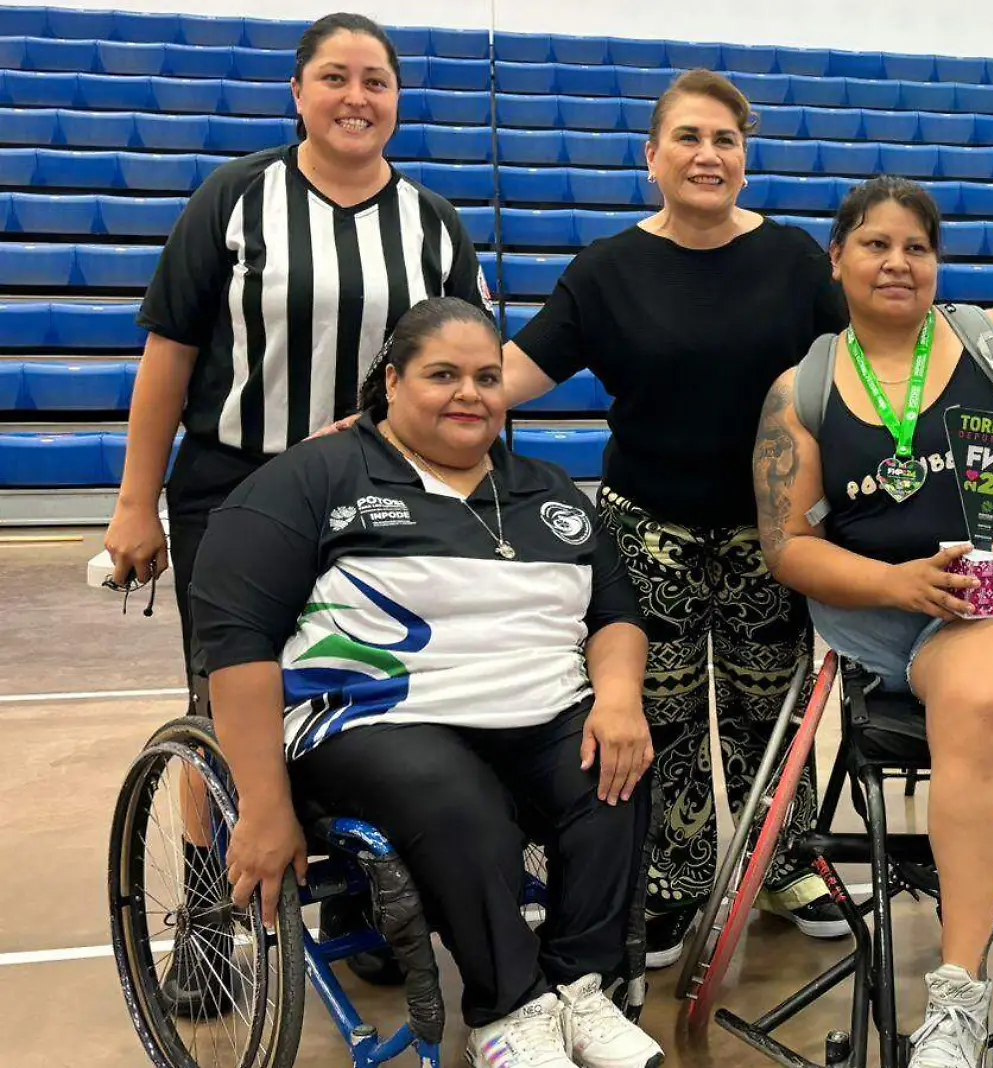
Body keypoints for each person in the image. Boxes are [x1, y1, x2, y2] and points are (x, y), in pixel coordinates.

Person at [498, 70, 993, 965]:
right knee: (662, 715)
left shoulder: (792, 261)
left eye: (725, 141)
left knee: (771, 706)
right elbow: (512, 374)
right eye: (689, 139)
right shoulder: (604, 271)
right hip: (649, 530)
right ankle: (671, 879)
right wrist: (392, 414)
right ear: (652, 158)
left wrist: (983, 325)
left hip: (774, 532)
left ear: (744, 160)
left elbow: (885, 329)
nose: (708, 155)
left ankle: (782, 859)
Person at [98, 10, 485, 1015]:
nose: (357, 97)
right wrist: (135, 501)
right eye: (335, 78)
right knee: (229, 702)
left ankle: (360, 907)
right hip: (237, 484)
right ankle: (210, 916)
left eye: (376, 81)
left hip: (378, 491)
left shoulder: (433, 222)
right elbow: (169, 358)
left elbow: (464, 368)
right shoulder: (236, 199)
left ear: (398, 100)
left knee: (370, 694)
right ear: (299, 92)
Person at [193, 297, 663, 1068]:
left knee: (613, 772)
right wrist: (265, 805)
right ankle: (507, 1013)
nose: (469, 394)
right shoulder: (315, 479)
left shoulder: (546, 491)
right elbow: (237, 645)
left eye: (486, 376)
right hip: (371, 722)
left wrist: (616, 700)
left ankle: (580, 990)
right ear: (391, 382)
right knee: (454, 794)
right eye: (442, 374)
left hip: (537, 713)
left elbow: (615, 613)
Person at [750, 175, 993, 1068]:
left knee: (980, 700)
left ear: (937, 261)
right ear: (837, 260)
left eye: (916, 246)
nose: (898, 262)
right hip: (881, 613)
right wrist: (896, 584)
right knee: (966, 687)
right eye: (875, 244)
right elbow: (787, 546)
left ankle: (956, 996)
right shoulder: (802, 388)